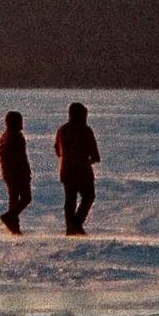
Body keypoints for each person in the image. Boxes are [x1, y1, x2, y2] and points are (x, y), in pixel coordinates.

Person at [52, 100, 100, 236]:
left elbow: (57, 149)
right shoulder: (85, 130)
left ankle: (70, 227)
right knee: (89, 196)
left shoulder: (62, 130)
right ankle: (76, 224)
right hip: (83, 171)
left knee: (70, 200)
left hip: (66, 171)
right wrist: (90, 160)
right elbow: (95, 154)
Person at [0, 109, 33, 235]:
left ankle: (14, 225)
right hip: (17, 172)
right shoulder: (14, 136)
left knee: (14, 198)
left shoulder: (6, 136)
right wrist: (25, 172)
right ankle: (10, 217)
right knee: (25, 197)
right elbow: (19, 157)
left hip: (10, 172)